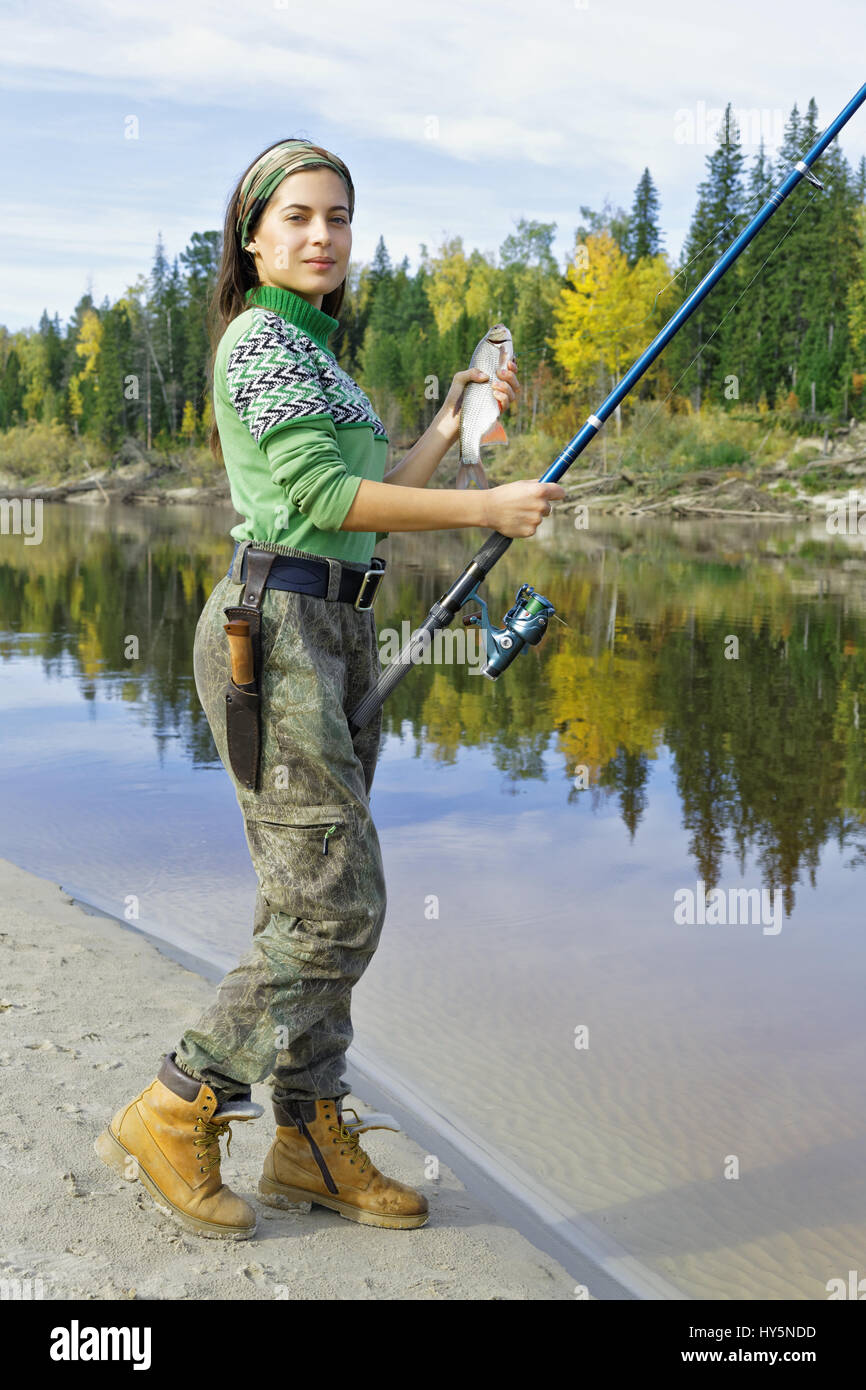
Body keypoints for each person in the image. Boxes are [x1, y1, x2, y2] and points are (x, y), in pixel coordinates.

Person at [94, 138, 565, 1240]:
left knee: (304, 891)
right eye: (298, 216)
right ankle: (177, 1101)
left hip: (334, 627)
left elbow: (368, 501)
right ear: (251, 237)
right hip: (278, 632)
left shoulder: (321, 356)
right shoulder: (261, 340)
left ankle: (306, 1134)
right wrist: (489, 510)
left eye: (339, 218)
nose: (321, 235)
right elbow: (312, 493)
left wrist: (450, 428)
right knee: (335, 904)